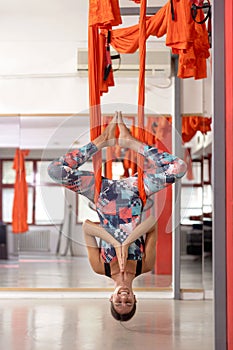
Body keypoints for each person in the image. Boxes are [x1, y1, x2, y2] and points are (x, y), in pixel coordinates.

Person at [48, 111, 187, 321]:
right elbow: (151, 224)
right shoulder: (144, 265)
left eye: (118, 302)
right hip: (134, 192)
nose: (124, 298)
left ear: (110, 298)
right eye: (128, 302)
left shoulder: (100, 267)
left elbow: (87, 227)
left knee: (55, 171)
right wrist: (128, 240)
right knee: (179, 168)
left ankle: (99, 142)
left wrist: (116, 242)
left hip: (101, 193)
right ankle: (133, 143)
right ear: (135, 298)